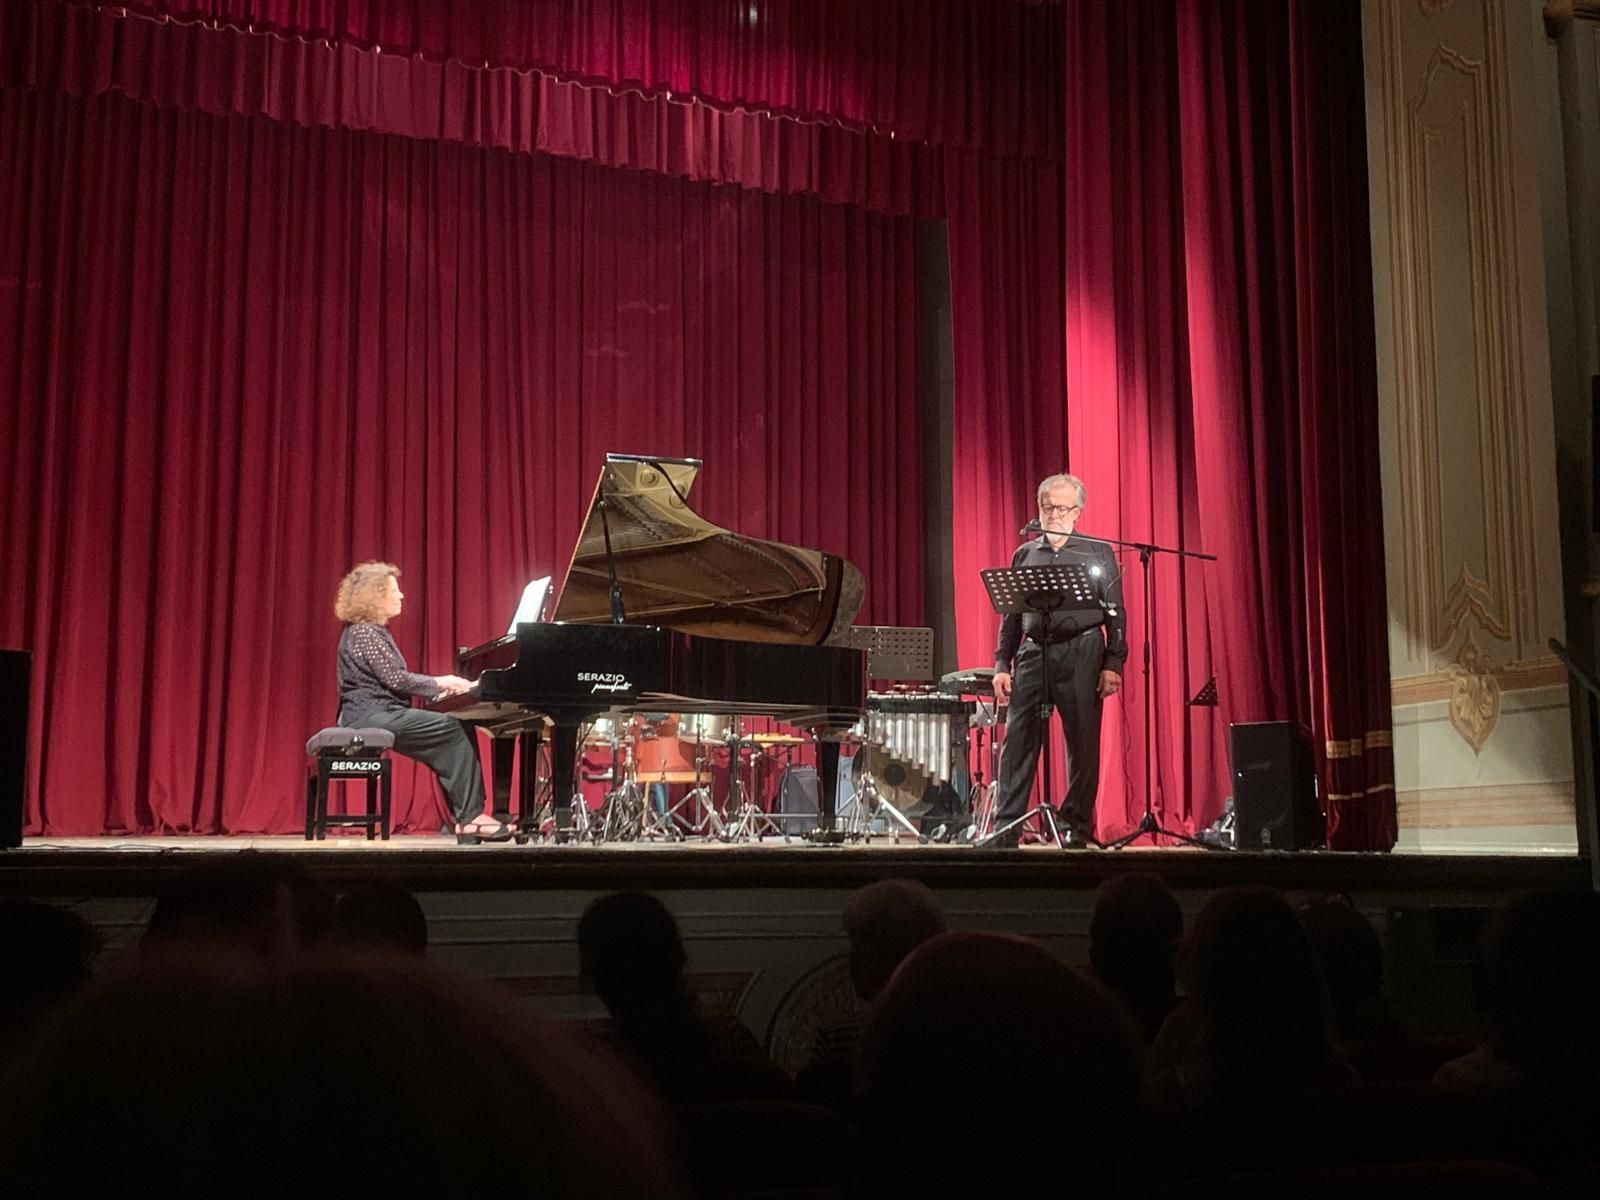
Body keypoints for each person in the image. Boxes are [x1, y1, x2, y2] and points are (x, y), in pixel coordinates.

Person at [989, 473, 1127, 846]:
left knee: (1082, 742)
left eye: (1062, 508)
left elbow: (1115, 611)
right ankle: (1007, 827)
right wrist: (1002, 663)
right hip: (1034, 650)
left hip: (1083, 651)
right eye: (1047, 507)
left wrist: (1113, 663)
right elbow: (1011, 617)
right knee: (1018, 740)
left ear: (1077, 512)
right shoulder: (1025, 553)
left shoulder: (1096, 551)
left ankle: (1075, 828)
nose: (1054, 514)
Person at [333, 561, 509, 843]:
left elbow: (394, 680)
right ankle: (470, 818)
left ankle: (467, 818)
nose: (401, 595)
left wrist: (439, 689)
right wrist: (443, 682)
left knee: (455, 729)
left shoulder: (369, 632)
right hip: (371, 715)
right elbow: (396, 679)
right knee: (453, 729)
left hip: (379, 713)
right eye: (394, 590)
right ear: (375, 596)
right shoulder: (363, 632)